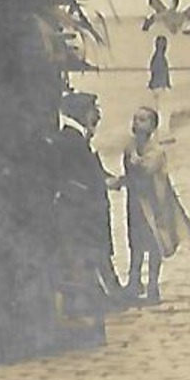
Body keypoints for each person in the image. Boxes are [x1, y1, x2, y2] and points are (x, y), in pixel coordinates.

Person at [123, 107, 190, 304]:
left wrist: (133, 162)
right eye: (135, 119)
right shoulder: (131, 147)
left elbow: (145, 170)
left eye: (142, 120)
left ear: (152, 126)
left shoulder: (155, 152)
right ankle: (134, 281)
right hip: (136, 204)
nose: (137, 123)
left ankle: (153, 286)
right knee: (135, 244)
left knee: (154, 243)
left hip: (154, 205)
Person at [54, 92, 120, 314]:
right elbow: (77, 175)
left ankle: (107, 291)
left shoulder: (77, 137)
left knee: (95, 250)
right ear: (82, 113)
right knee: (89, 250)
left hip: (89, 205)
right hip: (83, 207)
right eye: (94, 110)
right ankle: (103, 294)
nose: (97, 115)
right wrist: (102, 183)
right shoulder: (71, 140)